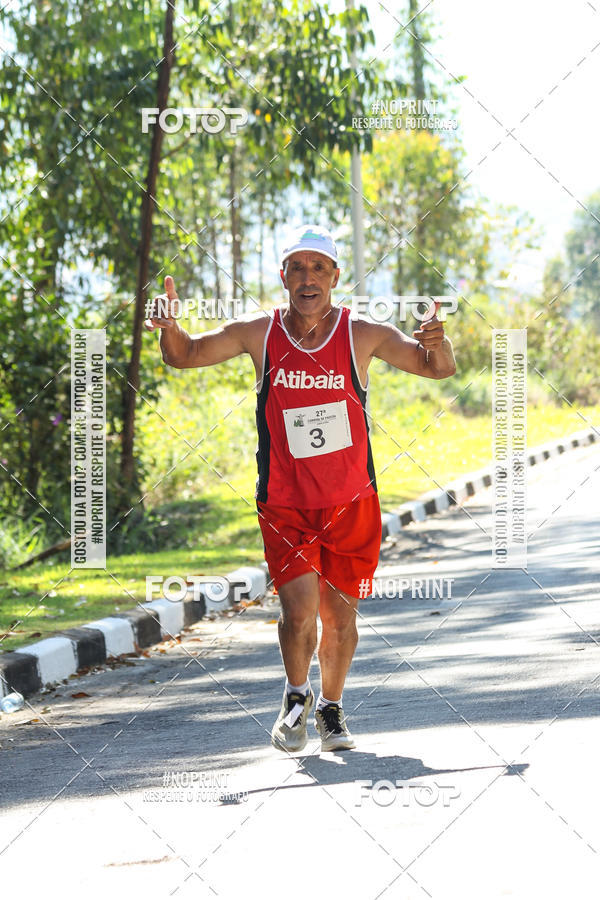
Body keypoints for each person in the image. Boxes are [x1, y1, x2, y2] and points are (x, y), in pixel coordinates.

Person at [145, 224, 456, 753]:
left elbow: (437, 369)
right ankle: (295, 698)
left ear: (336, 275)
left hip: (351, 502)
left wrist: (438, 340)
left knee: (339, 620)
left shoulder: (363, 333)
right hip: (286, 504)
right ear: (283, 275)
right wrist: (168, 326)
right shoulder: (257, 332)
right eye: (297, 267)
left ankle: (331, 710)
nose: (308, 278)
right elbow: (185, 354)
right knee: (297, 613)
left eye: (319, 267)